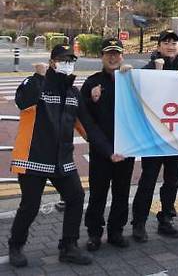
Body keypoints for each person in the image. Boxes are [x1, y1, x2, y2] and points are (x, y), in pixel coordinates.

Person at [7, 44, 122, 268]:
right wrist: (38, 76)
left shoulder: (72, 92)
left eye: (71, 60)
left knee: (76, 197)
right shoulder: (38, 83)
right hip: (32, 157)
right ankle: (16, 245)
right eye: (62, 60)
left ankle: (68, 246)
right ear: (52, 62)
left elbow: (88, 127)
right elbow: (23, 101)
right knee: (30, 206)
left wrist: (109, 151)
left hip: (62, 159)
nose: (67, 64)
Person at [130, 30, 178, 242]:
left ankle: (166, 219)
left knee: (172, 181)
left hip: (177, 137)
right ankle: (138, 223)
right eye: (166, 42)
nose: (171, 45)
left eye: (174, 42)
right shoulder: (147, 69)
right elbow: (133, 86)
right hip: (153, 137)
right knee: (148, 180)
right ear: (158, 47)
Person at [81, 38, 135, 251]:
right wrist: (107, 150)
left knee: (122, 193)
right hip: (101, 152)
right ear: (101, 57)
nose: (113, 57)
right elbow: (86, 121)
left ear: (122, 56)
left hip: (127, 149)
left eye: (117, 53)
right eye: (108, 53)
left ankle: (116, 231)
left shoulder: (132, 80)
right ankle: (94, 233)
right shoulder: (92, 83)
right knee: (98, 194)